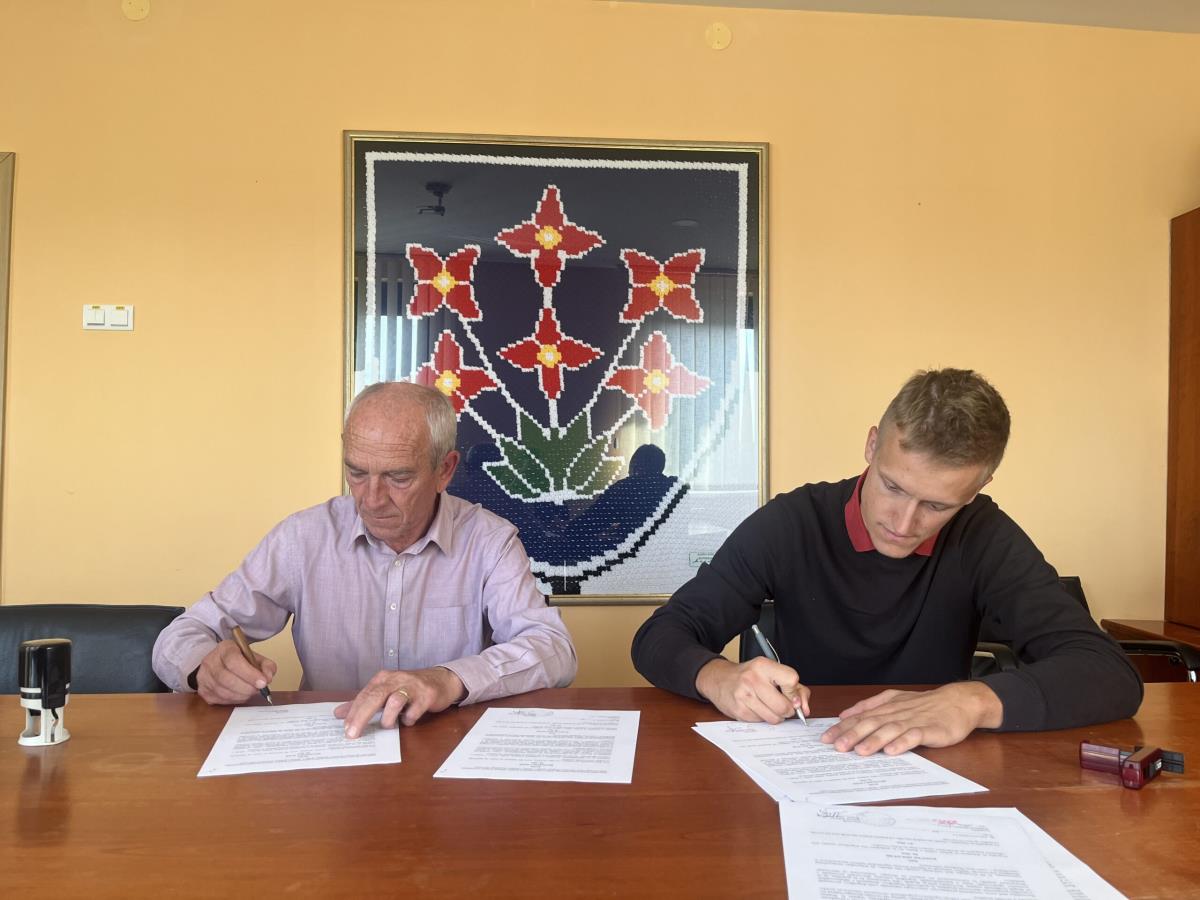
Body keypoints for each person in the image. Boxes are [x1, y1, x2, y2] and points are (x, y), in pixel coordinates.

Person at [631, 368, 1142, 756]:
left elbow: (1108, 673)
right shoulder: (793, 521)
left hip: (933, 763)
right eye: (893, 486)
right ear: (872, 444)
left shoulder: (983, 534)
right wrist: (718, 676)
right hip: (805, 753)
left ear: (978, 487)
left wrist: (971, 701)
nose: (904, 521)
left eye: (937, 505)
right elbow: (660, 634)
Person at [153, 382, 577, 738]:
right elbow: (183, 634)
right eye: (356, 473)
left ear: (445, 470)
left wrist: (446, 679)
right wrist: (203, 667)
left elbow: (554, 649)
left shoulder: (489, 541)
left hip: (446, 749)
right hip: (331, 748)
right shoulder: (303, 538)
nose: (371, 500)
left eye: (398, 477)